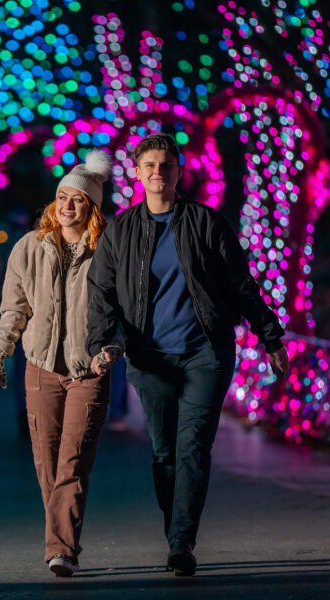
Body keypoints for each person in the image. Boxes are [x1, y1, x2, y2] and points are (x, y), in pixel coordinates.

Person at [86, 133, 288, 576]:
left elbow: (241, 284)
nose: (159, 172)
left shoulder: (206, 223)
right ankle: (176, 527)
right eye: (151, 166)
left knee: (193, 447)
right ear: (137, 174)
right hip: (149, 358)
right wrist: (102, 344)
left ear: (179, 172)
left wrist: (269, 336)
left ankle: (182, 541)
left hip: (205, 353)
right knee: (164, 453)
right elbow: (100, 293)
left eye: (167, 165)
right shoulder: (120, 230)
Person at [0, 150, 120, 577]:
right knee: (46, 461)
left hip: (88, 369)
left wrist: (114, 346)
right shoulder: (29, 247)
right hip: (40, 368)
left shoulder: (108, 247)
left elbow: (127, 305)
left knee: (74, 460)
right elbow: (14, 308)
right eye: (61, 196)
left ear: (92, 205)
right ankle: (62, 540)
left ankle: (60, 549)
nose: (67, 205)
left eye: (77, 198)